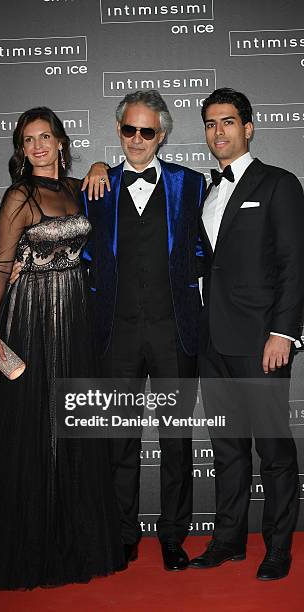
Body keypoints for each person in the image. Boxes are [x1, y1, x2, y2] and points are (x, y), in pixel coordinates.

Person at [0, 107, 125, 590]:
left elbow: (110, 182)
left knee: (70, 427)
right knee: (30, 428)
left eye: (45, 136)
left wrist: (98, 167)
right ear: (21, 149)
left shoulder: (76, 190)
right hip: (30, 315)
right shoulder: (20, 196)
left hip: (74, 316)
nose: (37, 146)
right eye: (28, 139)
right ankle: (28, 547)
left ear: (59, 142)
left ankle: (75, 541)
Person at [81, 90, 205, 570]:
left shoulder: (190, 184)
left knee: (177, 442)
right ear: (118, 131)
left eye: (147, 131)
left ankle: (173, 537)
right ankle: (123, 533)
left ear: (162, 135)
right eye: (128, 129)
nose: (137, 139)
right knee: (119, 440)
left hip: (176, 332)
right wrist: (95, 166)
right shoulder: (95, 186)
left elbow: (206, 250)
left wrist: (178, 276)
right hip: (116, 334)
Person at [189, 88, 304, 580]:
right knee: (227, 446)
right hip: (212, 343)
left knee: (273, 452)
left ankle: (278, 548)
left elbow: (296, 264)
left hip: (261, 341)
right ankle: (228, 540)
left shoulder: (279, 184)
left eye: (228, 122)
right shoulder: (206, 191)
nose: (219, 132)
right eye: (211, 124)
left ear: (249, 127)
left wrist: (284, 332)